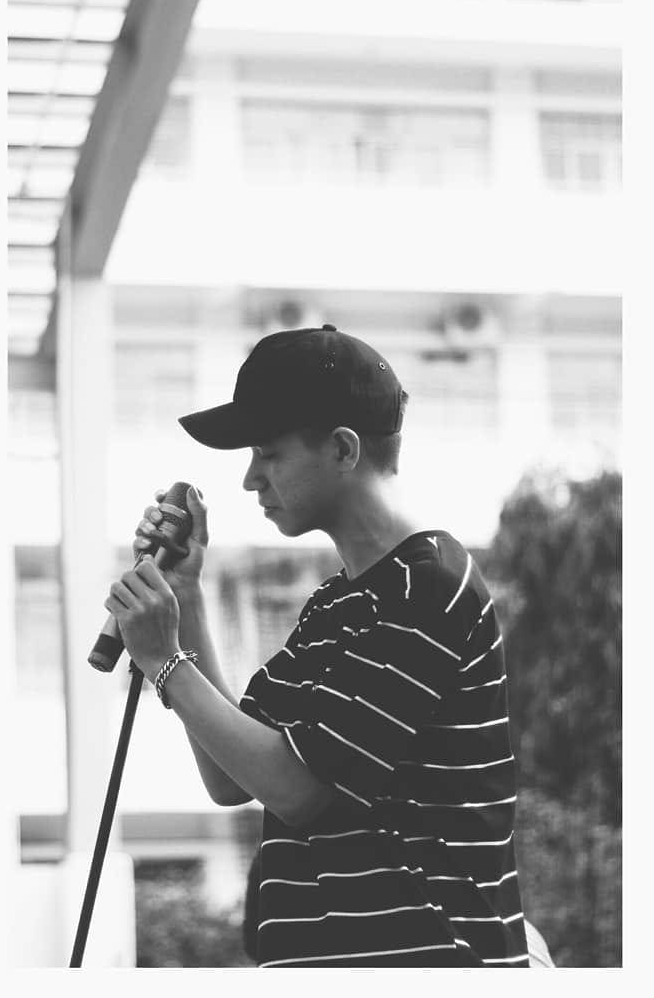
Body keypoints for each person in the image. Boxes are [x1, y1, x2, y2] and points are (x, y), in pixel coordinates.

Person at [105, 324, 529, 967]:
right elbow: (232, 778)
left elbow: (299, 790)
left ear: (342, 449)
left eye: (269, 453)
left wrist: (164, 661)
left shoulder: (430, 587)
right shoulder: (336, 601)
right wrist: (186, 595)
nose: (251, 479)